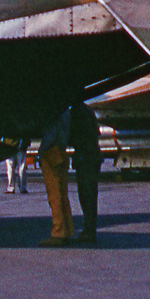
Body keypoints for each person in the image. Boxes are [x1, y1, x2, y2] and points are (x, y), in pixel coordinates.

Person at [37, 109, 73, 247]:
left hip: (51, 152)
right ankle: (67, 230)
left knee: (54, 195)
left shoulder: (55, 112)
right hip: (62, 151)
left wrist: (41, 152)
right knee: (62, 194)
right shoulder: (66, 112)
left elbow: (50, 135)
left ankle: (58, 231)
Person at [69, 101, 102, 244]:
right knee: (91, 195)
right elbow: (97, 131)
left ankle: (89, 231)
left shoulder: (77, 112)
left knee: (86, 195)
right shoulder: (88, 110)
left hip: (85, 157)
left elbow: (75, 135)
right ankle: (90, 229)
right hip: (93, 156)